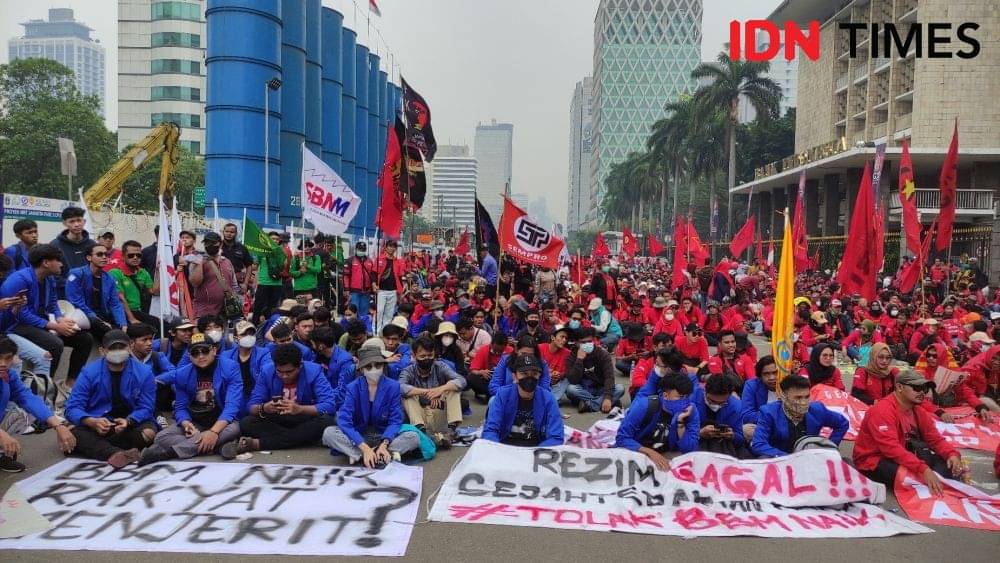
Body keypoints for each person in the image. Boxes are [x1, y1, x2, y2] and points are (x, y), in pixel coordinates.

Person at [853, 371, 963, 497]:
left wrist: (952, 454)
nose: (922, 392)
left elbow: (935, 439)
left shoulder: (918, 411)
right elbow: (891, 448)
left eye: (925, 389)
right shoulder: (882, 411)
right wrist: (923, 469)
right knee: (916, 478)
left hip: (904, 452)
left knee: (949, 466)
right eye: (917, 388)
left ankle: (934, 476)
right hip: (874, 460)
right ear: (899, 387)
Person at [140, 333, 244, 464]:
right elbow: (180, 407)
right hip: (197, 422)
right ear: (189, 356)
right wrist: (186, 424)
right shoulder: (182, 374)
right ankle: (216, 447)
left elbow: (231, 407)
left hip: (223, 422)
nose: (200, 356)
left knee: (236, 428)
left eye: (205, 351)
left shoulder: (230, 367)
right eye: (195, 353)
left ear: (214, 350)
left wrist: (213, 432)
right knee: (161, 437)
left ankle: (168, 454)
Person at [1, 244, 95, 387]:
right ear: (46, 263)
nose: (62, 264)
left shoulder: (49, 278)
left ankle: (70, 383)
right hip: (17, 325)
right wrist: (54, 326)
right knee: (55, 344)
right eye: (58, 260)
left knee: (85, 339)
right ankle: (46, 387)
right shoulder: (20, 279)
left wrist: (60, 319)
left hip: (42, 323)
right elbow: (21, 313)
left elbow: (52, 304)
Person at [224, 344, 336, 458]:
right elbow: (251, 406)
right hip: (278, 419)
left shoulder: (314, 371)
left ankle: (257, 444)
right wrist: (264, 408)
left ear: (300, 366)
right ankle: (305, 439)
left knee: (327, 421)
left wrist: (300, 409)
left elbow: (330, 405)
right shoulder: (267, 371)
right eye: (279, 372)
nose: (284, 376)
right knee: (246, 422)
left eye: (289, 372)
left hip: (304, 417)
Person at [64, 330, 156, 468]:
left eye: (122, 347)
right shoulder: (89, 373)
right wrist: (91, 421)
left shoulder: (144, 372)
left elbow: (147, 407)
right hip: (99, 422)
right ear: (102, 351)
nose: (117, 351)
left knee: (149, 434)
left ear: (130, 347)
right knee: (72, 433)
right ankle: (116, 453)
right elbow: (72, 408)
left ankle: (100, 447)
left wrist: (129, 421)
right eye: (112, 348)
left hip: (131, 422)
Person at [322, 346, 421, 467]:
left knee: (413, 437)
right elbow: (344, 420)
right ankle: (375, 455)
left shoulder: (393, 386)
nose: (374, 370)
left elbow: (395, 420)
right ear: (362, 369)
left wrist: (385, 444)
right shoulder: (353, 387)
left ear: (383, 366)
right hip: (359, 435)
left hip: (384, 435)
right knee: (329, 433)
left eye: (378, 366)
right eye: (369, 366)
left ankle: (367, 454)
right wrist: (364, 447)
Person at [0, 337, 76, 472]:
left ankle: (1, 455)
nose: (3, 363)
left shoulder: (8, 375)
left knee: (27, 412)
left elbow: (26, 397)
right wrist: (2, 435)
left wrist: (58, 425)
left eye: (7, 358)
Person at [615, 370, 700, 470]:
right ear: (665, 395)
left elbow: (690, 450)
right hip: (638, 451)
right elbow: (622, 437)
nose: (684, 401)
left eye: (687, 397)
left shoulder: (690, 410)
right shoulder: (644, 406)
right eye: (680, 397)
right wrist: (649, 452)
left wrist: (680, 424)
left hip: (667, 455)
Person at [750, 375, 849, 458]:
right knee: (763, 458)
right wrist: (788, 458)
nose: (804, 402)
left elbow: (842, 423)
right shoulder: (769, 412)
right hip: (780, 462)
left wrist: (829, 448)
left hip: (810, 460)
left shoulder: (817, 410)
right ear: (783, 396)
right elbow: (758, 444)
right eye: (798, 397)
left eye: (806, 397)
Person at [481, 354, 564, 447]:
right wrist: (496, 449)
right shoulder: (503, 394)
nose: (530, 378)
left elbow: (556, 437)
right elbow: (490, 430)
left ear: (539, 376)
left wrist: (537, 452)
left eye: (534, 374)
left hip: (536, 449)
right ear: (515, 376)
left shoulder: (548, 398)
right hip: (505, 447)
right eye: (524, 373)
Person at [398, 336, 466, 444]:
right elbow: (399, 387)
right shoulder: (408, 371)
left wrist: (441, 389)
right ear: (414, 356)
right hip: (421, 418)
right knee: (407, 396)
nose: (427, 359)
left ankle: (450, 432)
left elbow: (461, 381)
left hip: (439, 414)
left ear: (434, 354)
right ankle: (424, 435)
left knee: (453, 388)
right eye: (422, 356)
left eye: (430, 355)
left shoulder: (440, 366)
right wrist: (427, 393)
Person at [65, 244, 128, 342]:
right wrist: (100, 321)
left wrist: (123, 323)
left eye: (106, 254)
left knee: (131, 330)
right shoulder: (76, 274)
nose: (104, 257)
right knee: (113, 334)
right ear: (89, 257)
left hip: (102, 315)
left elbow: (115, 303)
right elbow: (75, 302)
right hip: (84, 315)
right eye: (99, 254)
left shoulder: (109, 278)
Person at [566, 327, 624, 413]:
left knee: (620, 388)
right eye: (583, 342)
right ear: (576, 343)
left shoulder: (602, 354)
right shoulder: (572, 356)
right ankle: (609, 402)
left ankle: (590, 405)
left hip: (601, 388)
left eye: (589, 341)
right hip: (584, 390)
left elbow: (609, 377)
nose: (587, 344)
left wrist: (607, 397)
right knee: (571, 389)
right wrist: (579, 360)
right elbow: (573, 380)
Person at [187, 232, 240, 319]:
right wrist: (200, 262)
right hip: (204, 313)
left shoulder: (227, 262)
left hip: (225, 313)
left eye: (213, 243)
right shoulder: (197, 261)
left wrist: (235, 303)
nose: (210, 245)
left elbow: (234, 286)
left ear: (220, 243)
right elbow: (195, 283)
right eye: (207, 243)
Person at [109, 240, 158, 329]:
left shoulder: (143, 272)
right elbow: (121, 298)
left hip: (140, 311)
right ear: (123, 256)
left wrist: (158, 271)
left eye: (138, 255)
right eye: (131, 255)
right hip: (123, 313)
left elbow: (154, 292)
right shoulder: (115, 273)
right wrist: (131, 319)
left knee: (161, 325)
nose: (135, 257)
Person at [694, 374, 747, 456]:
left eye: (722, 403)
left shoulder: (736, 406)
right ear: (705, 391)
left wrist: (732, 436)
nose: (716, 405)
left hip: (724, 446)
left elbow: (740, 438)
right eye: (712, 401)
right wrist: (699, 433)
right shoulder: (692, 399)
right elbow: (679, 434)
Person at [50, 206, 96, 295]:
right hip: (65, 294)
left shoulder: (92, 244)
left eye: (79, 220)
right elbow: (51, 273)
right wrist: (71, 284)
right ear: (65, 223)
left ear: (84, 221)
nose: (76, 224)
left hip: (90, 293)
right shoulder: (54, 245)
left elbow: (97, 268)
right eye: (72, 221)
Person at [740, 355, 780, 442]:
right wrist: (774, 417)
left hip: (784, 428)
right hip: (762, 427)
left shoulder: (789, 385)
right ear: (760, 376)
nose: (772, 378)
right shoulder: (751, 385)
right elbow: (746, 415)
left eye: (775, 373)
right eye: (766, 374)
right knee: (747, 430)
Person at [468, 333, 511, 402]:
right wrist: (481, 372)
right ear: (491, 344)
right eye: (495, 350)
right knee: (471, 377)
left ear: (506, 346)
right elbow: (473, 370)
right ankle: (497, 395)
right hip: (488, 379)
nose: (497, 353)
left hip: (504, 381)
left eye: (500, 351)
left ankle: (494, 395)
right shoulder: (483, 350)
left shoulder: (511, 352)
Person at [374, 239, 405, 335]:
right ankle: (376, 332)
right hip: (381, 290)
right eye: (390, 246)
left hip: (393, 291)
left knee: (389, 313)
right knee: (379, 311)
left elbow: (399, 277)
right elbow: (374, 273)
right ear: (386, 247)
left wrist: (400, 291)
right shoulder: (379, 259)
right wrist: (374, 284)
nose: (391, 248)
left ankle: (385, 333)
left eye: (394, 247)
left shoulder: (398, 261)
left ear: (396, 249)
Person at [221, 222, 255, 294]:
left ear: (236, 233)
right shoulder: (218, 246)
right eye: (226, 231)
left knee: (237, 304)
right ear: (223, 232)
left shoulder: (242, 248)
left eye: (232, 232)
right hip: (220, 283)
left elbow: (249, 266)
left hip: (237, 284)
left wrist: (245, 284)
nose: (229, 234)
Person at [344, 241, 374, 317]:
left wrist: (372, 288)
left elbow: (372, 276)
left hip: (366, 291)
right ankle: (353, 326)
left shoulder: (370, 261)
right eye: (360, 249)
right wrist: (346, 289)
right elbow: (346, 276)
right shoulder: (350, 260)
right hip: (354, 291)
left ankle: (363, 326)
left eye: (363, 250)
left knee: (364, 311)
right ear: (356, 249)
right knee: (353, 310)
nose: (361, 251)